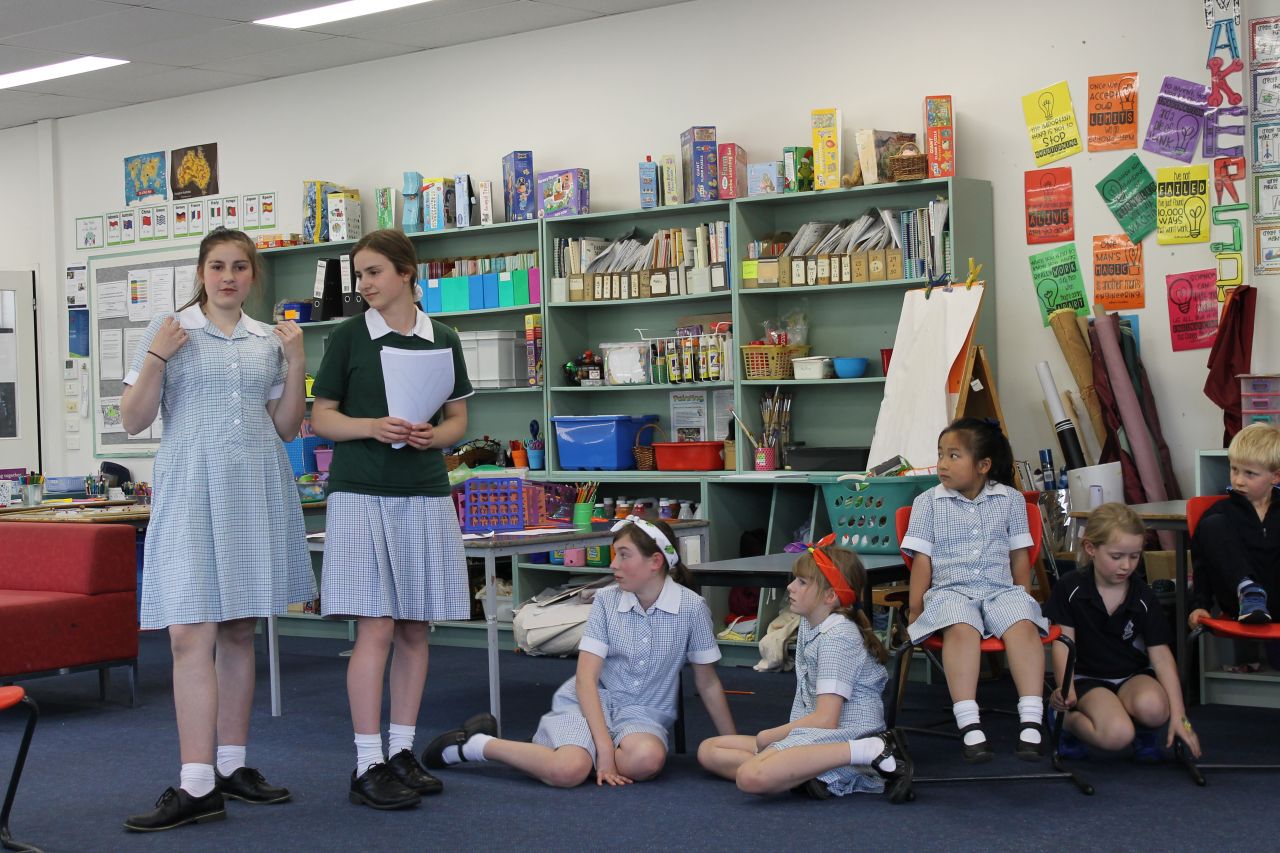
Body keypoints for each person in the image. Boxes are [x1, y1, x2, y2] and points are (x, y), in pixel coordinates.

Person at [120, 227, 315, 832]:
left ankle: (230, 766)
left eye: (239, 267)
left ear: (253, 275)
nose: (228, 277)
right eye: (217, 266)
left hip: (253, 485)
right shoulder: (170, 330)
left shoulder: (268, 340)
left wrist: (297, 362)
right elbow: (132, 420)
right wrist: (157, 356)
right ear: (201, 273)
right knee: (188, 633)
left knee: (236, 630)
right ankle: (197, 782)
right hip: (189, 487)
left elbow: (286, 427)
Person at [309, 229, 473, 810]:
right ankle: (367, 763)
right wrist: (371, 427)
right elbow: (322, 418)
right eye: (360, 274)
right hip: (360, 492)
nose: (365, 284)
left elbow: (459, 421)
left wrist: (436, 437)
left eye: (374, 272)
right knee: (375, 628)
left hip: (423, 492)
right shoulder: (348, 336)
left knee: (415, 628)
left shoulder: (443, 337)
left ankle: (401, 752)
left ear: (407, 273)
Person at [422, 517, 736, 787]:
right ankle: (478, 745)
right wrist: (605, 750)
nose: (613, 565)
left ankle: (563, 751)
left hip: (642, 715)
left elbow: (707, 683)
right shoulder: (606, 601)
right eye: (614, 555)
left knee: (647, 761)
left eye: (624, 555)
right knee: (569, 771)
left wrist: (733, 748)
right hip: (589, 703)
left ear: (655, 562)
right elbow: (586, 680)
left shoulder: (692, 608)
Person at [697, 536, 912, 803]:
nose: (790, 587)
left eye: (801, 582)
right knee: (709, 750)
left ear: (830, 596)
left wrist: (769, 736)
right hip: (813, 735)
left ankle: (869, 751)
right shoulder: (812, 625)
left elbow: (826, 720)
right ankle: (803, 773)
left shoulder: (838, 637)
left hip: (842, 735)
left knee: (749, 776)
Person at [903, 417, 1048, 762]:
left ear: (983, 465)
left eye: (953, 456)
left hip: (1000, 590)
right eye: (940, 454)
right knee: (961, 627)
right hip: (950, 592)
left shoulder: (1010, 500)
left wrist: (1023, 598)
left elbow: (1019, 556)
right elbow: (922, 561)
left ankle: (1032, 720)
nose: (942, 464)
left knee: (1023, 623)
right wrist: (915, 610)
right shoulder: (927, 502)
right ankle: (969, 723)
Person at [1044, 503, 1202, 763]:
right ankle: (1064, 722)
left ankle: (1143, 733)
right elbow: (1064, 642)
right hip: (1088, 678)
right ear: (1090, 548)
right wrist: (1066, 688)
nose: (1126, 566)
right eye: (1116, 556)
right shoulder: (1069, 588)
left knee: (1156, 709)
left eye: (1134, 556)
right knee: (1117, 735)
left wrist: (1179, 716)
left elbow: (1161, 657)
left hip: (1131, 676)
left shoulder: (1143, 596)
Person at [1189, 422, 1280, 627]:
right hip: (1239, 605)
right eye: (1234, 469)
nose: (1238, 480)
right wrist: (1199, 604)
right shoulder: (1221, 513)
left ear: (1276, 476)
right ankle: (1250, 591)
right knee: (1212, 525)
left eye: (1250, 473)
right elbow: (1203, 564)